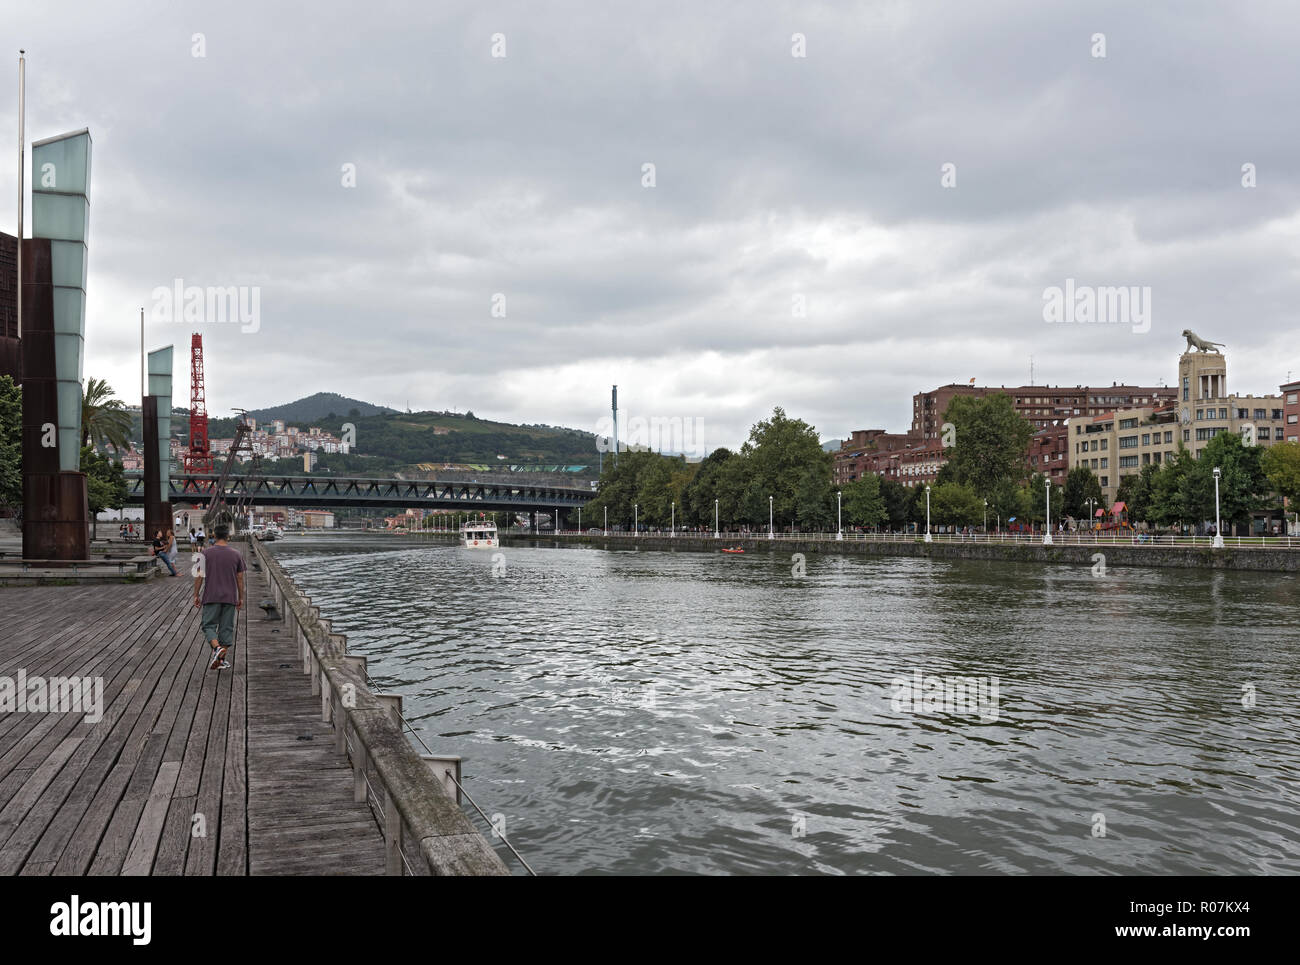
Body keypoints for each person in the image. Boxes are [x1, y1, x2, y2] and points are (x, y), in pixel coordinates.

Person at [193, 523, 245, 670]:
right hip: (230, 596)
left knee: (208, 625)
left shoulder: (205, 554)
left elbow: (199, 576)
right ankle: (221, 659)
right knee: (226, 629)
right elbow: (240, 578)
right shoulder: (236, 554)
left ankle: (216, 650)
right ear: (228, 536)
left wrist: (196, 595)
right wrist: (240, 598)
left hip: (211, 595)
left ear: (213, 536)